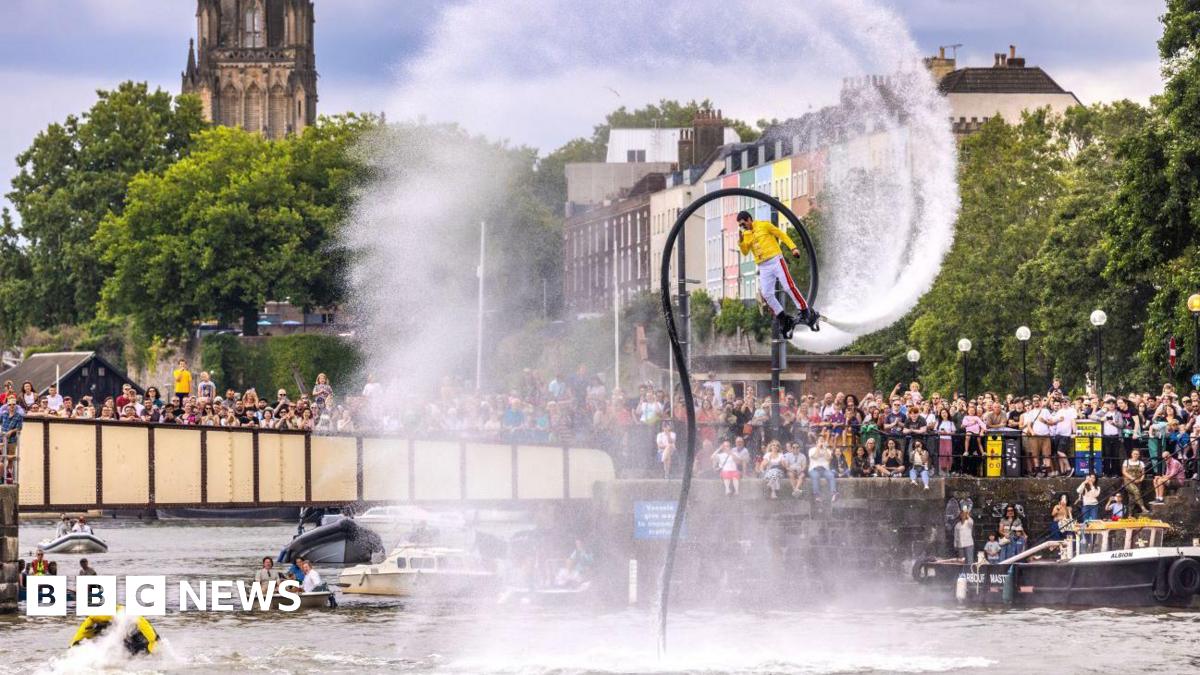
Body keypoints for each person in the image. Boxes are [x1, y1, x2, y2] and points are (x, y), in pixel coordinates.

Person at [735, 210, 819, 337]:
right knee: (767, 294)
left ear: (749, 219)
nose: (743, 227)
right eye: (740, 226)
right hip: (763, 266)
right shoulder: (746, 235)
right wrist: (741, 242)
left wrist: (793, 248)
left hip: (775, 260)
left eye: (743, 224)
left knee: (788, 286)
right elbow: (745, 252)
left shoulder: (764, 225)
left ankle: (804, 309)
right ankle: (783, 318)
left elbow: (781, 235)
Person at [808, 431, 838, 501]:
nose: (822, 442)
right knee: (815, 476)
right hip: (814, 469)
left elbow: (829, 459)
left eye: (823, 440)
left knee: (831, 475)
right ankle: (817, 496)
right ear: (816, 442)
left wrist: (824, 449)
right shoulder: (812, 450)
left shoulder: (828, 450)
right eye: (820, 440)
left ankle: (834, 493)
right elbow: (815, 457)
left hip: (825, 469)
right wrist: (818, 448)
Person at [1121, 448, 1149, 515]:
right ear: (1131, 454)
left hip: (1138, 481)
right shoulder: (1126, 461)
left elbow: (1143, 473)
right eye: (1134, 454)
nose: (1135, 455)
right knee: (1136, 491)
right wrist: (1132, 478)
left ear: (1139, 455)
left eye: (1137, 454)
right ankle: (1143, 507)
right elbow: (1124, 471)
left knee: (1132, 497)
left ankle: (1130, 514)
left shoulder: (1141, 463)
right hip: (1128, 481)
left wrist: (1141, 479)